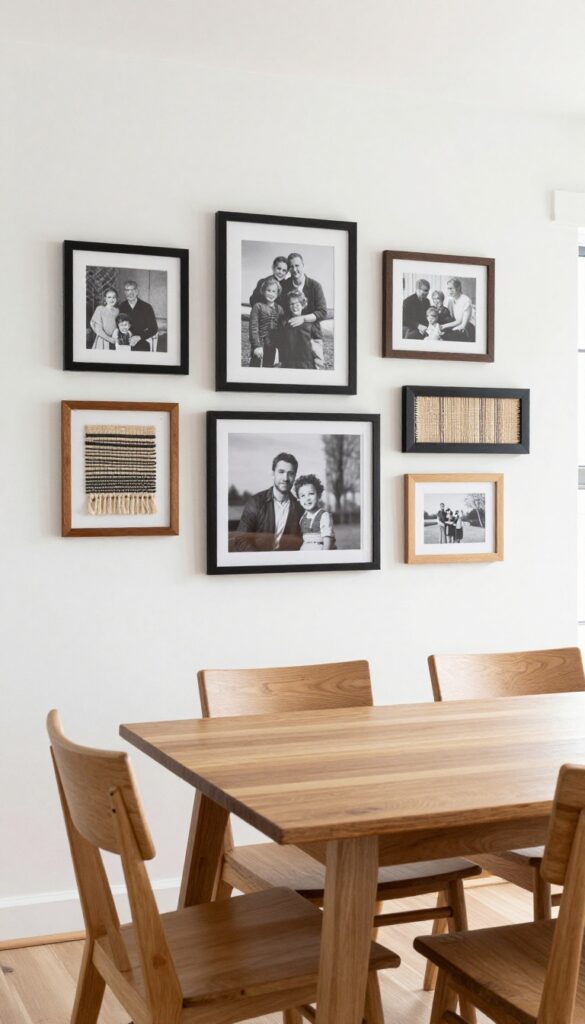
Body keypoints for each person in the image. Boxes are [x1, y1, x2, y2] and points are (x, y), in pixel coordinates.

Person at [234, 452, 303, 552]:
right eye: (281, 472)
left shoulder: (300, 508)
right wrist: (261, 561)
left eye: (290, 473)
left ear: (295, 477)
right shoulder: (256, 502)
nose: (285, 478)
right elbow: (241, 539)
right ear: (273, 474)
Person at [279, 253, 327, 338]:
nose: (294, 269)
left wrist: (303, 318)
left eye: (297, 265)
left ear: (303, 265)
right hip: (290, 335)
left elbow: (322, 312)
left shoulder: (315, 286)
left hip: (312, 335)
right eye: (291, 266)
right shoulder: (284, 285)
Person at [273, 291, 324, 369]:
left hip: (307, 365)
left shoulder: (311, 324)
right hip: (288, 365)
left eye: (297, 304)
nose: (294, 307)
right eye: (292, 304)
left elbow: (317, 344)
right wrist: (278, 363)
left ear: (303, 305)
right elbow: (280, 345)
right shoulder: (285, 324)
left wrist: (318, 363)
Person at [248, 276, 284, 367]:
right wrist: (256, 346)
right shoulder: (258, 306)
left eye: (274, 291)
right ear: (263, 291)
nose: (271, 294)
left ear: (277, 293)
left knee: (268, 367)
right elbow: (253, 327)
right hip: (259, 344)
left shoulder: (279, 309)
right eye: (268, 290)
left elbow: (282, 327)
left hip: (272, 345)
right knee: (255, 367)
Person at [295, 474, 336, 550]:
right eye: (303, 496)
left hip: (319, 550)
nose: (307, 498)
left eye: (311, 494)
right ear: (299, 499)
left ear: (319, 495)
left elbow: (327, 541)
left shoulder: (324, 516)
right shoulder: (302, 518)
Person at [117, 279, 159, 352]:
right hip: (124, 341)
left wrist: (139, 337)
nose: (130, 293)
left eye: (132, 290)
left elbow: (154, 328)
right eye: (127, 290)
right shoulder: (121, 306)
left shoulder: (147, 307)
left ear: (137, 291)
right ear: (124, 292)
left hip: (141, 341)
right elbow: (117, 325)